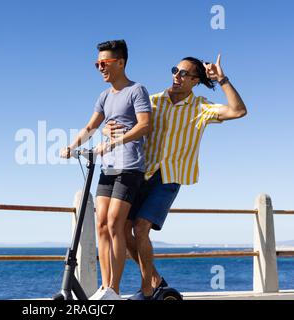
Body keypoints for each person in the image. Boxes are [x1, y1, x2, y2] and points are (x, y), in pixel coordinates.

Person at [103, 55, 247, 300]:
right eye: (175, 70)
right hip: (140, 172)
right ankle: (155, 280)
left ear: (196, 81)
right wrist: (108, 128)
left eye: (184, 73)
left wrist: (221, 79)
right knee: (124, 229)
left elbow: (239, 111)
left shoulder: (201, 107)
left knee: (141, 227)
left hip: (169, 177)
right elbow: (117, 120)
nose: (176, 76)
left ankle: (147, 290)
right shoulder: (152, 101)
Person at [60, 40, 151, 300]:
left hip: (129, 167)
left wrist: (115, 141)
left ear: (120, 62)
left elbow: (145, 126)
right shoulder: (103, 97)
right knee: (100, 224)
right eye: (96, 64)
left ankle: (115, 289)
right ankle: (105, 287)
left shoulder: (136, 90)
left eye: (104, 63)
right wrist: (71, 146)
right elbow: (90, 126)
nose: (100, 68)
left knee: (114, 224)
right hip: (108, 166)